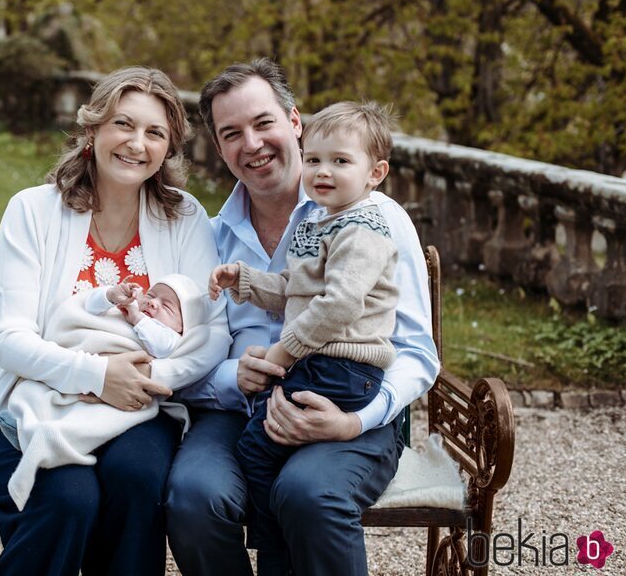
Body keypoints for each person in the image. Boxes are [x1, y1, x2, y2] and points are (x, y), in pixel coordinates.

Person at [0, 66, 230, 576]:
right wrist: (97, 376)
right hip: (26, 403)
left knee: (139, 478)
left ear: (169, 148)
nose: (136, 143)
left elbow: (213, 334)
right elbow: (9, 339)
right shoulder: (33, 211)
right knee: (69, 499)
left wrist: (147, 380)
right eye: (123, 124)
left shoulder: (183, 216)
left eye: (154, 132)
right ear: (93, 129)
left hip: (138, 408)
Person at [166, 58, 439, 576]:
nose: (251, 144)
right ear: (219, 148)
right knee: (194, 497)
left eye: (263, 122)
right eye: (232, 134)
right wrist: (231, 376)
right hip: (241, 411)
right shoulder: (210, 235)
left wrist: (355, 420)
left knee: (308, 494)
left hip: (348, 401)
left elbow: (417, 353)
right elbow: (185, 353)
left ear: (295, 122)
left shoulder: (372, 218)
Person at [209, 101, 401, 575]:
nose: (322, 172)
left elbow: (337, 306)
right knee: (266, 449)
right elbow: (297, 291)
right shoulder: (322, 220)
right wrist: (246, 282)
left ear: (375, 173)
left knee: (256, 447)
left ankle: (276, 556)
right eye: (314, 160)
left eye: (340, 161)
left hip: (344, 370)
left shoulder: (365, 228)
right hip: (323, 366)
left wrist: (283, 350)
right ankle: (282, 551)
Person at [0, 274, 211, 511]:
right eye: (151, 295)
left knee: (91, 423)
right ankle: (27, 425)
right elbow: (88, 307)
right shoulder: (123, 314)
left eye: (167, 306)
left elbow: (163, 347)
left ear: (182, 326)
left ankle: (49, 440)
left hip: (122, 396)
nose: (153, 303)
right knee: (53, 398)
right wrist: (110, 296)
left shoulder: (169, 336)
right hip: (80, 365)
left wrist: (138, 319)